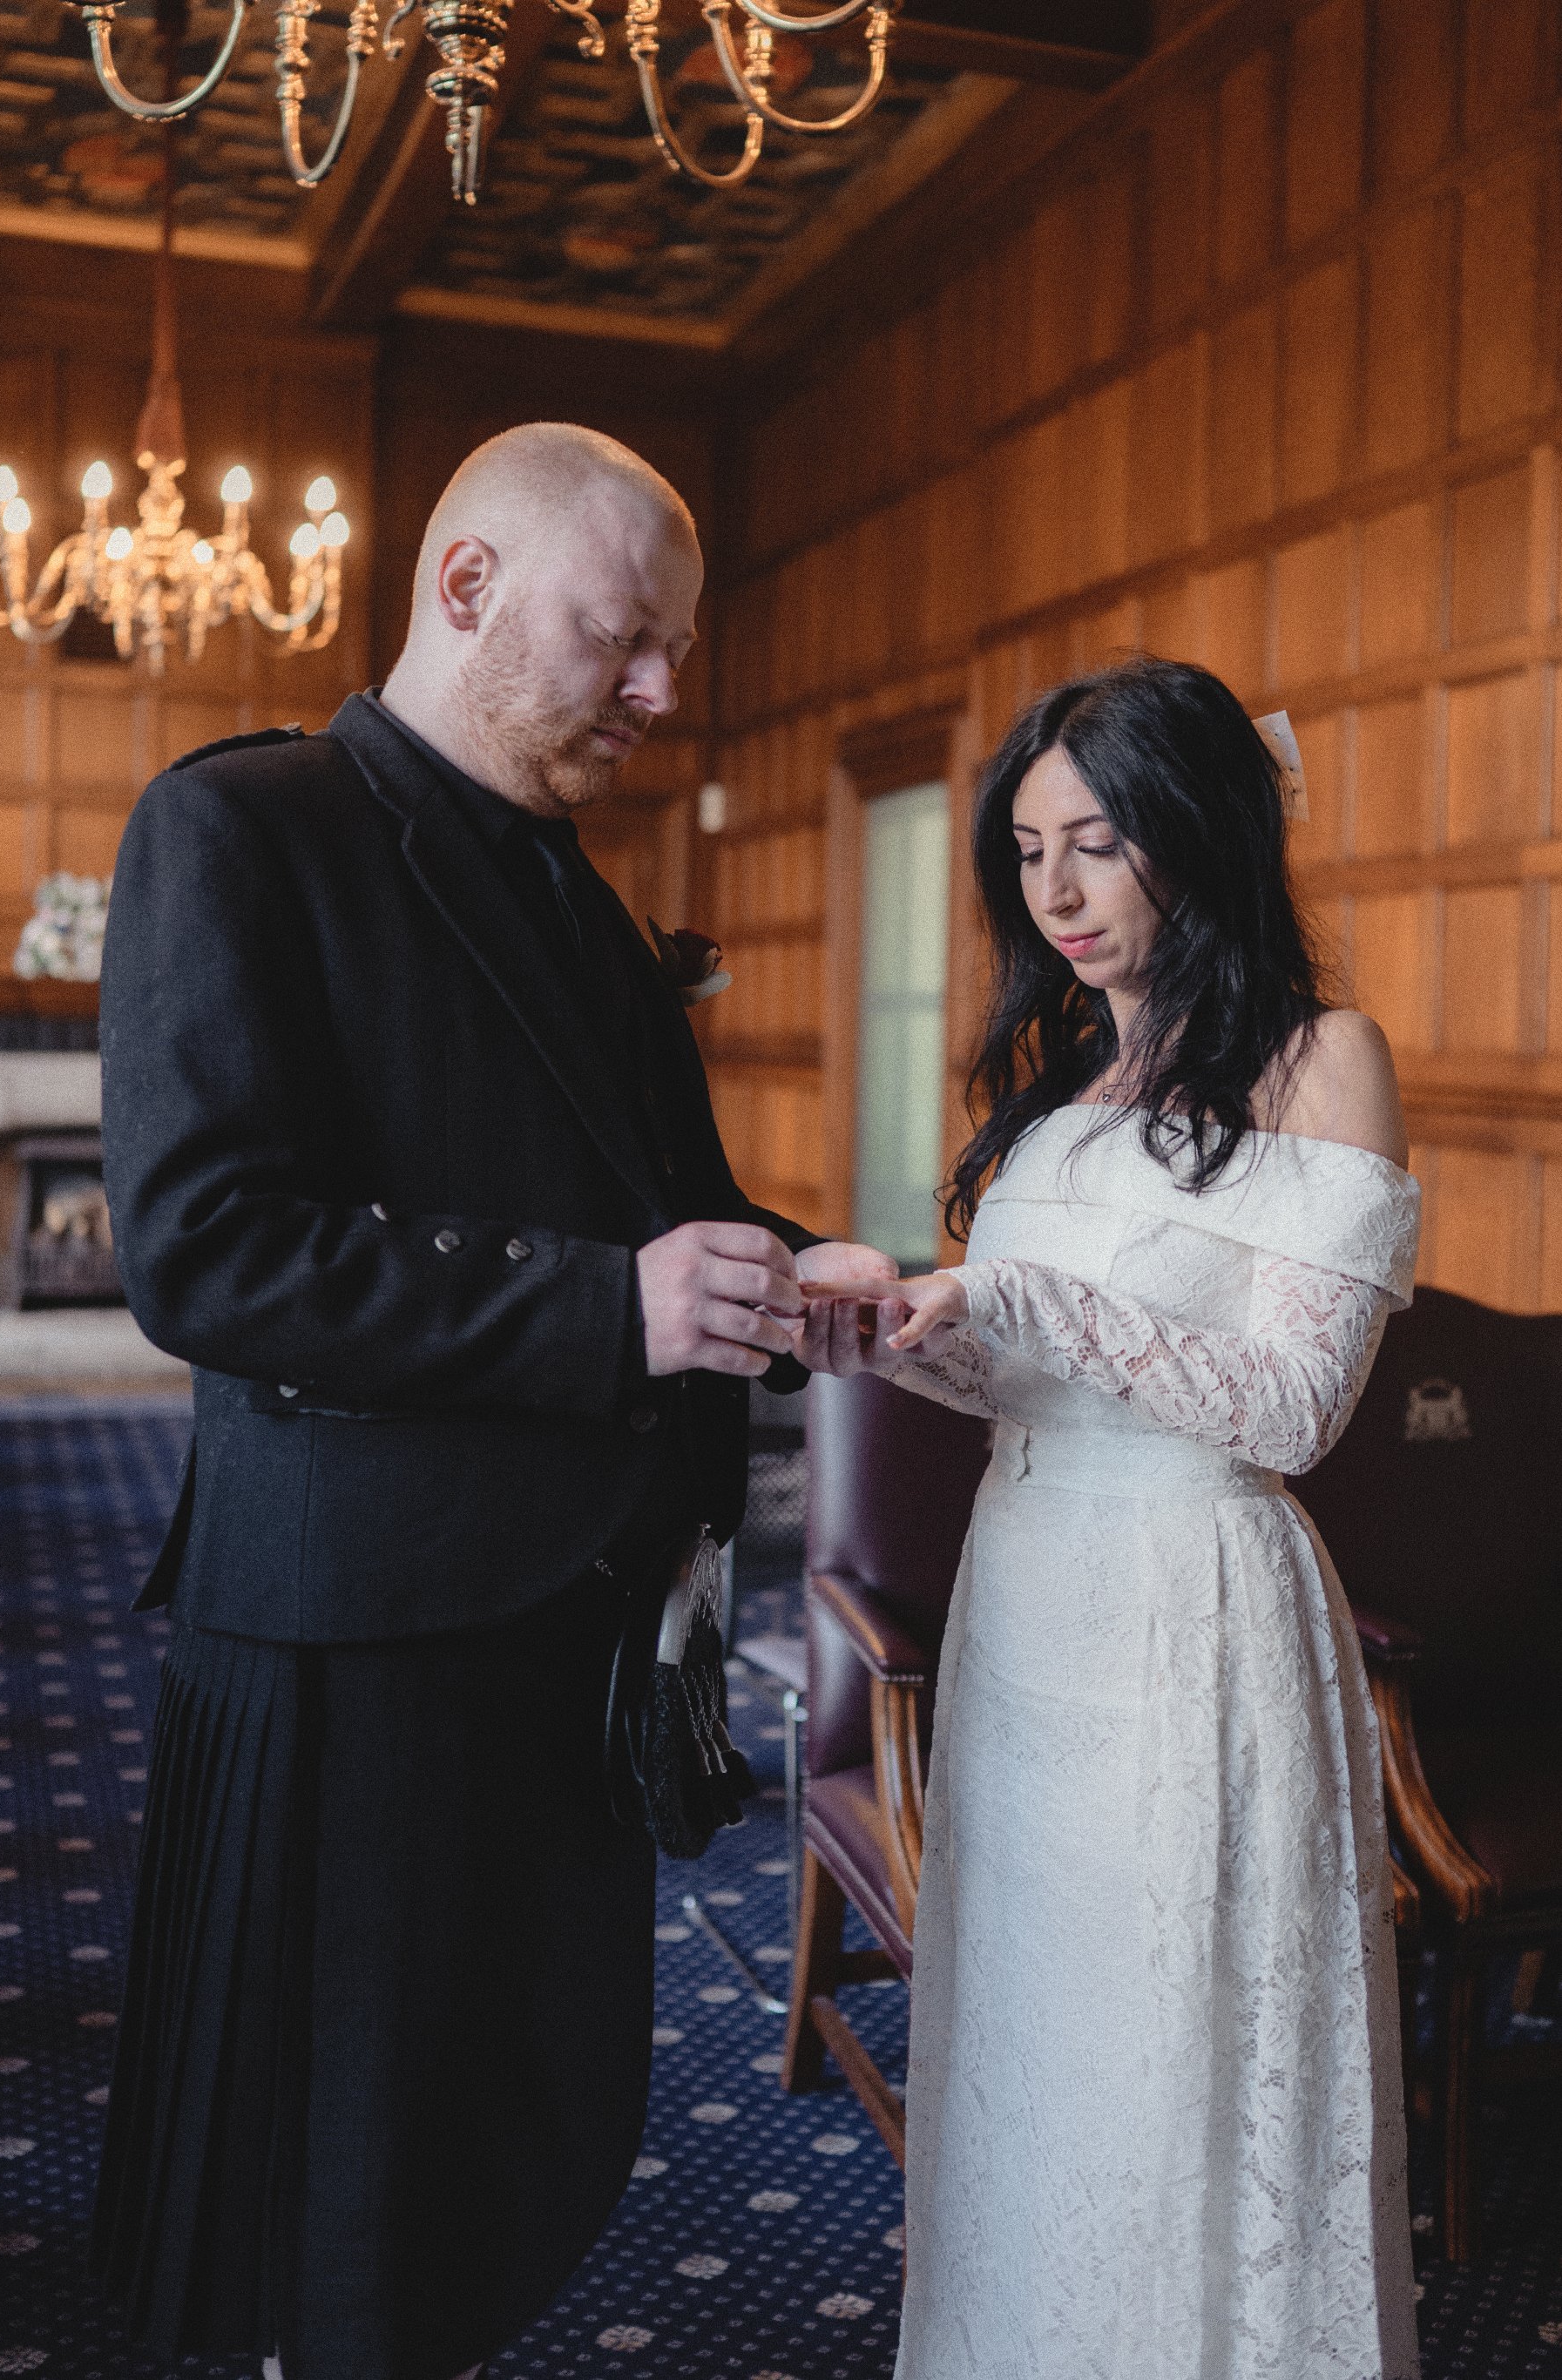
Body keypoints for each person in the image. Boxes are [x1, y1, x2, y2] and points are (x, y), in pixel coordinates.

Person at [89, 422, 894, 2380]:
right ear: (463, 587)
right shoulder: (242, 827)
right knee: (335, 2188)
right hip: (349, 1631)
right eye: (626, 638)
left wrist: (795, 1277)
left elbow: (646, 1216)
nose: (659, 691)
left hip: (563, 1620)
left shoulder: (581, 891)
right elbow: (203, 1251)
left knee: (485, 2144)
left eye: (670, 651)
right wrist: (606, 1311)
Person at [800, 658, 1423, 2380]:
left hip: (1188, 1609)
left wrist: (1011, 1310)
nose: (1052, 892)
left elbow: (1290, 1408)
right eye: (1023, 851)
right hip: (1029, 1604)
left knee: (1179, 2060)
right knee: (1033, 2057)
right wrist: (884, 1335)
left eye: (1095, 842)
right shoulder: (1063, 1089)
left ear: (1196, 832)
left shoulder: (1321, 1063)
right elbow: (1027, 1383)